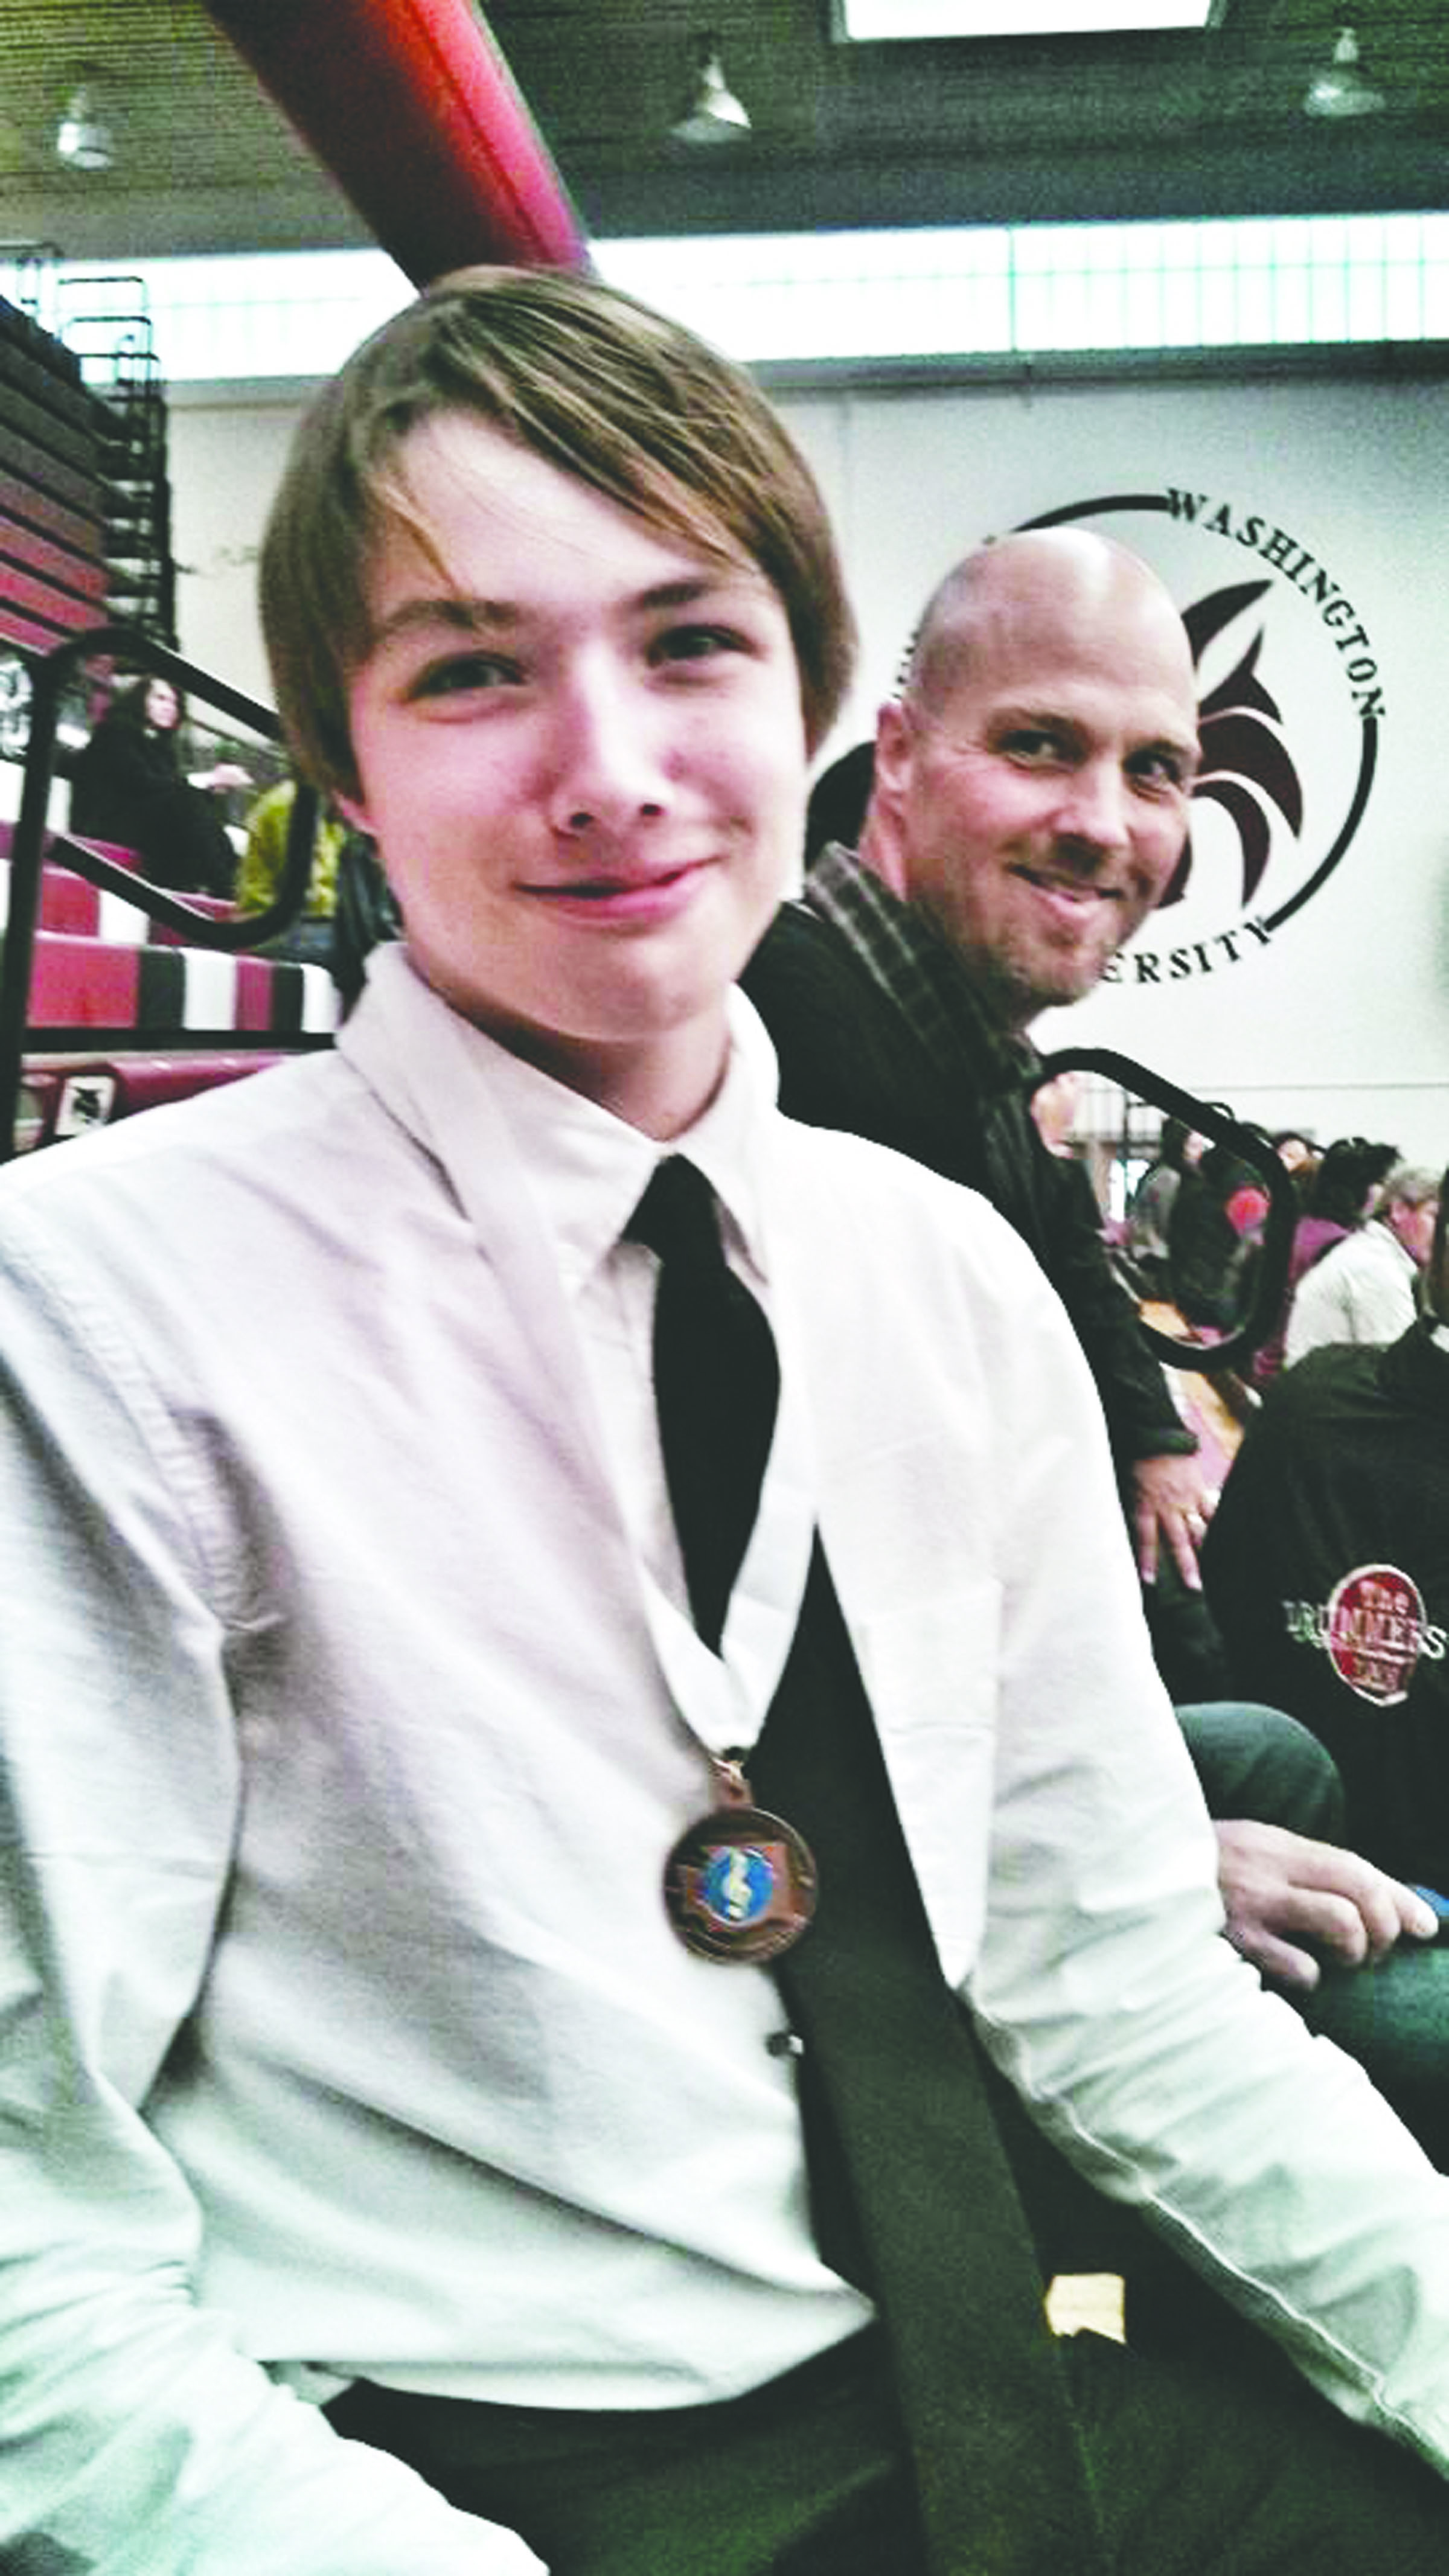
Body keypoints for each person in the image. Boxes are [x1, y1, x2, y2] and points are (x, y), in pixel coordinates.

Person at [4, 264, 1449, 2576]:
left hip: (992, 2360)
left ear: (808, 721)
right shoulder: (100, 1303)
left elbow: (1116, 1986)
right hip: (459, 2471)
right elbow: (25, 2261)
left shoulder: (943, 1275)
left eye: (690, 643)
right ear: (344, 761)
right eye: (473, 666)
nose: (609, 761)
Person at [741, 530, 1419, 1991]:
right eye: (1038, 745)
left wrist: (1152, 1442)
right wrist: (1141, 1856)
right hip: (845, 1862)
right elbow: (799, 1633)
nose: (1100, 822)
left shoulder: (958, 1059)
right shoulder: (788, 1065)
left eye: (1154, 769)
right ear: (898, 759)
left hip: (958, 1747)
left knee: (1269, 1750)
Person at [1203, 1168, 1449, 2161]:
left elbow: (1217, 1620)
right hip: (1345, 1928)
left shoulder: (1311, 1402)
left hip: (1284, 1914)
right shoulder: (1318, 1410)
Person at [68, 670, 249, 896]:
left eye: (174, 702)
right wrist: (207, 779)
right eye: (160, 699)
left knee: (197, 807)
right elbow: (141, 783)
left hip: (144, 824)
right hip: (107, 824)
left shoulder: (162, 746)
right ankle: (226, 887)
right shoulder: (115, 731)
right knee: (187, 801)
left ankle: (228, 881)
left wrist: (211, 788)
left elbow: (168, 789)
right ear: (140, 699)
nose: (169, 707)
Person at [1248, 1133, 1399, 1391]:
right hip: (1290, 1374)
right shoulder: (1339, 1247)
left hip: (1268, 1363)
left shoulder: (1303, 1229)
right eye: (1384, 1183)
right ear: (1365, 1188)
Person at [1285, 1158, 1440, 1366]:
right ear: (1399, 1211)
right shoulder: (1377, 1270)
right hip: (1325, 1393)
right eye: (1436, 1216)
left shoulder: (1371, 1252)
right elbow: (1403, 1371)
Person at [237, 773, 349, 967]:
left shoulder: (323, 806)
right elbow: (309, 890)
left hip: (305, 923)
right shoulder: (296, 805)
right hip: (274, 927)